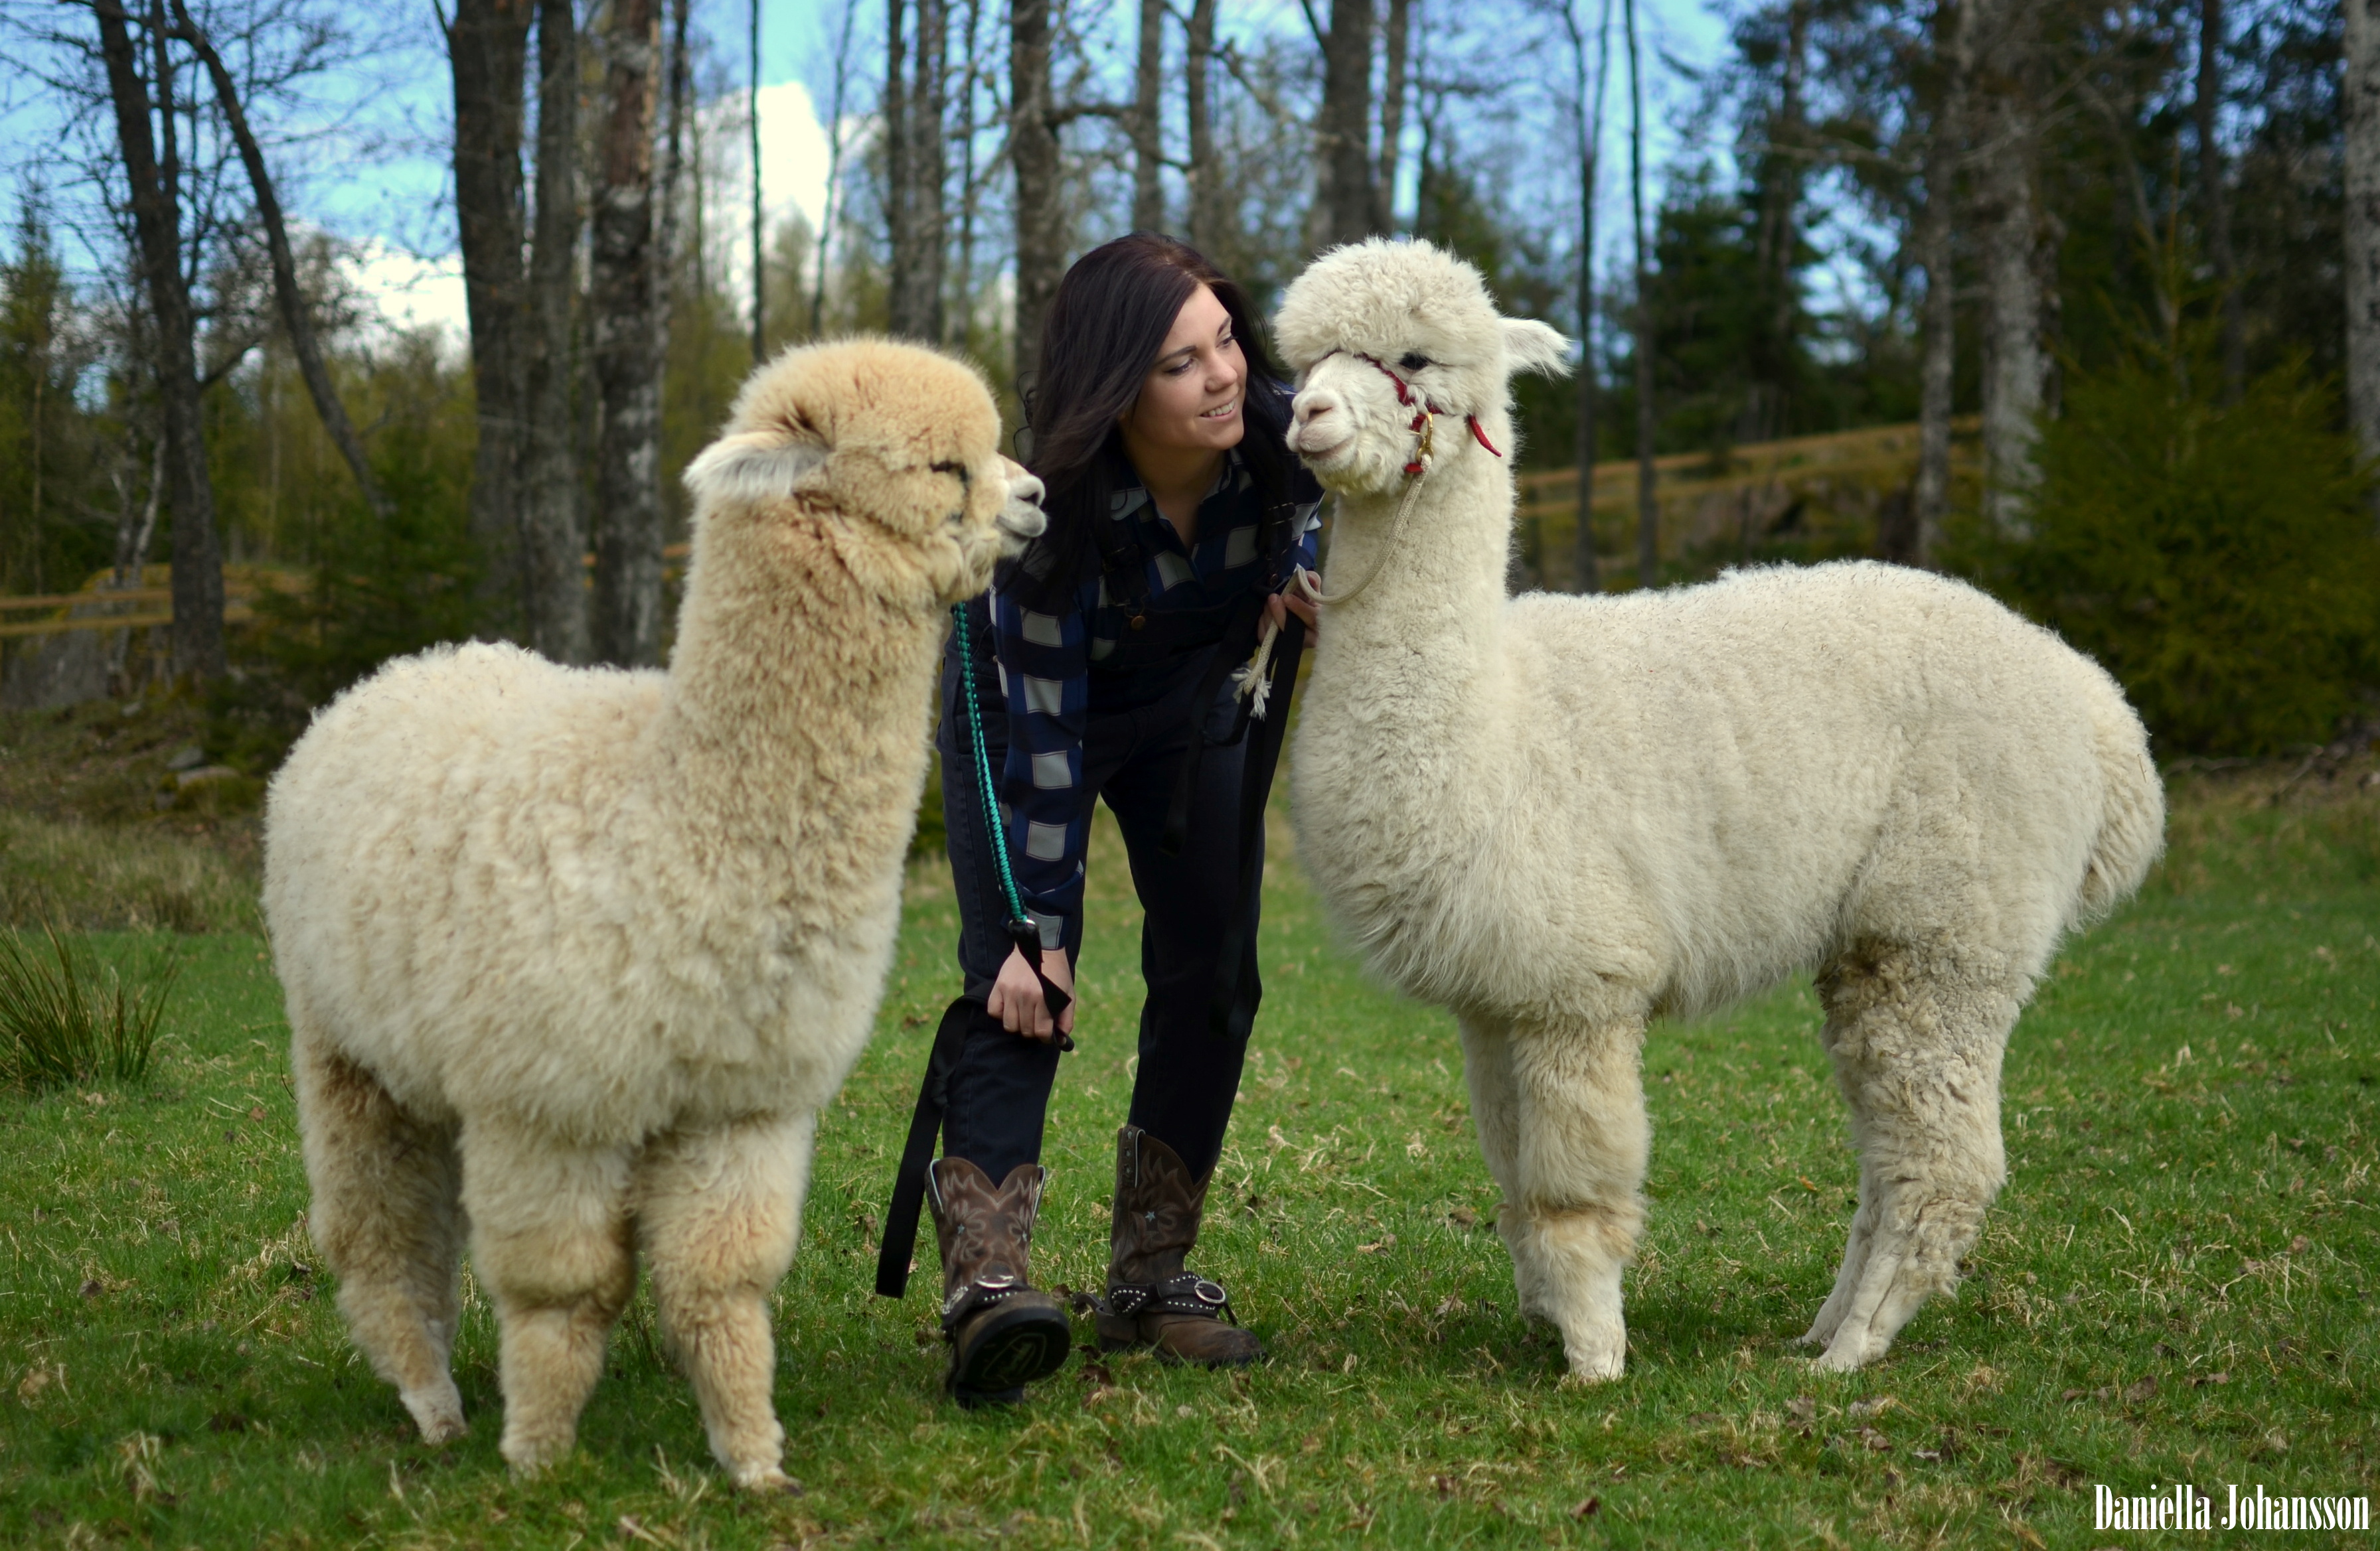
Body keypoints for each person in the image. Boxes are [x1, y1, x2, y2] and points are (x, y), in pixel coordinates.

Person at [881, 234, 1322, 1408]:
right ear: (1120, 384)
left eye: (1225, 336)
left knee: (1217, 968)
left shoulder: (1275, 434)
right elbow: (1043, 741)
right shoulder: (1050, 520)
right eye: (1182, 363)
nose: (1223, 374)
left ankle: (1148, 1278)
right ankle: (986, 1286)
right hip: (1032, 712)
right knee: (1024, 986)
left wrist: (1302, 561)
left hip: (1191, 705)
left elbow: (1360, 492)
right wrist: (1043, 924)